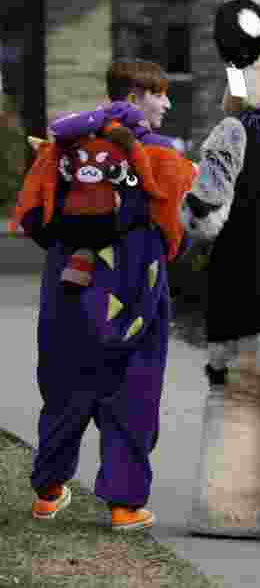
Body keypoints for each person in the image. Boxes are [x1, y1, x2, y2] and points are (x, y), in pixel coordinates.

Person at [11, 102, 196, 531]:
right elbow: (178, 231)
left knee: (62, 391)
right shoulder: (159, 153)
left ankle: (48, 492)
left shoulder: (61, 151)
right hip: (133, 288)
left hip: (68, 293)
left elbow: (36, 218)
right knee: (133, 393)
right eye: (159, 94)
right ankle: (124, 505)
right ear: (138, 95)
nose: (166, 103)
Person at [104, 59, 178, 150]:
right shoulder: (159, 146)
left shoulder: (92, 138)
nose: (168, 105)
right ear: (132, 100)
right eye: (158, 96)